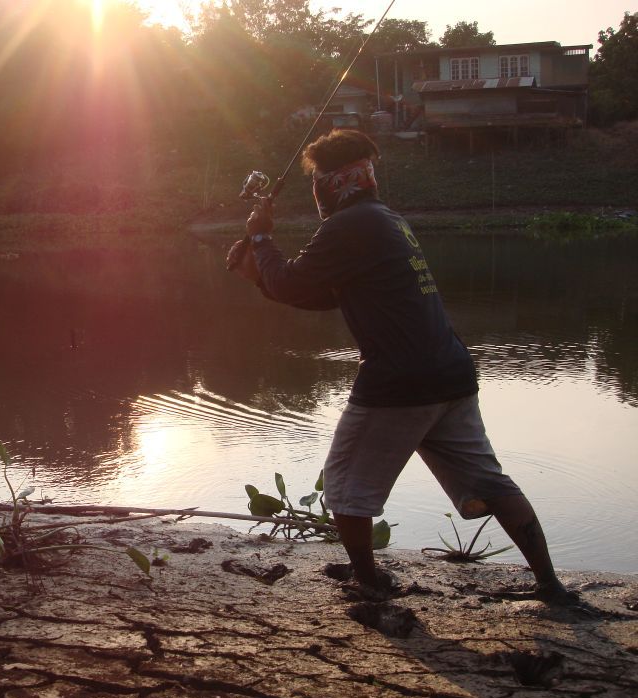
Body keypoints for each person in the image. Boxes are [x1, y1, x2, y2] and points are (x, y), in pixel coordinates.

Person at [227, 129, 574, 604]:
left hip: (399, 381)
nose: (313, 190)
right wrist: (260, 277)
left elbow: (291, 283)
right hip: (450, 374)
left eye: (315, 180)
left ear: (332, 183)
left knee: (345, 488)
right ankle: (551, 586)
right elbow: (324, 296)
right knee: (488, 482)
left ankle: (369, 585)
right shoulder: (385, 219)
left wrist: (262, 237)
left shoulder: (349, 227)